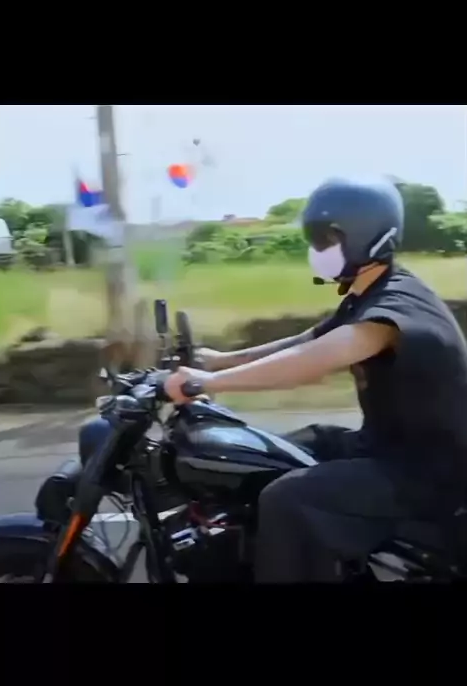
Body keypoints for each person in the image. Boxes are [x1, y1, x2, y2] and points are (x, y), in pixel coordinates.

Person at [162, 176, 467, 582]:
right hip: (383, 446)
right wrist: (220, 361)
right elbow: (307, 340)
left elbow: (312, 359)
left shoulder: (395, 305)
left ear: (364, 237)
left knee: (289, 498)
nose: (317, 251)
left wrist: (206, 383)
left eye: (327, 239)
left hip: (427, 472)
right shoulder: (367, 294)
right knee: (261, 457)